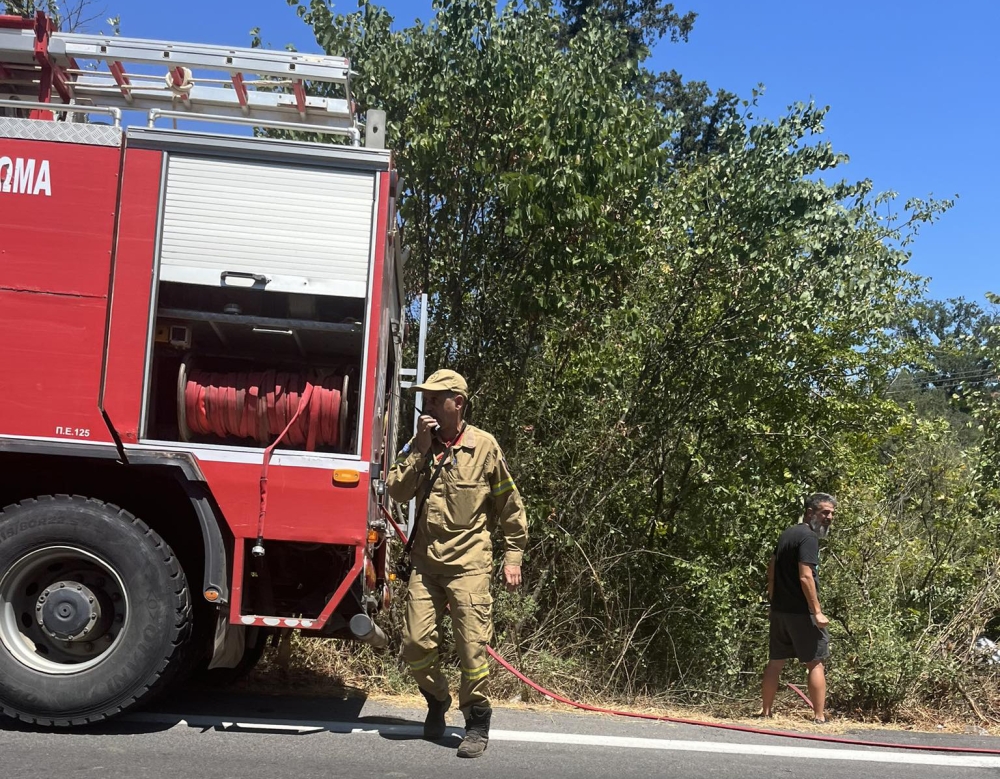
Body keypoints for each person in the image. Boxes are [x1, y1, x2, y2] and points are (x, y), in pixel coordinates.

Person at [386, 369, 528, 759]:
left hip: (470, 565)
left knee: (472, 649)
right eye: (426, 398)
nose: (427, 405)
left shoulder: (484, 447)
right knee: (415, 644)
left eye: (435, 399)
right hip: (426, 565)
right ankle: (436, 699)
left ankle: (477, 722)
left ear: (458, 403)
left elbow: (510, 504)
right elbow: (396, 490)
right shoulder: (420, 446)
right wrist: (418, 448)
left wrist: (513, 553)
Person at [760, 492, 837, 723]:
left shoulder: (787, 534)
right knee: (815, 661)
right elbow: (806, 577)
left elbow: (771, 568)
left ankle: (765, 712)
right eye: (825, 512)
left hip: (780, 612)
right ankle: (819, 717)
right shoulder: (808, 537)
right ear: (810, 512)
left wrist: (774, 601)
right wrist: (817, 612)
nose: (829, 517)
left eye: (832, 513)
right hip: (801, 613)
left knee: (775, 662)